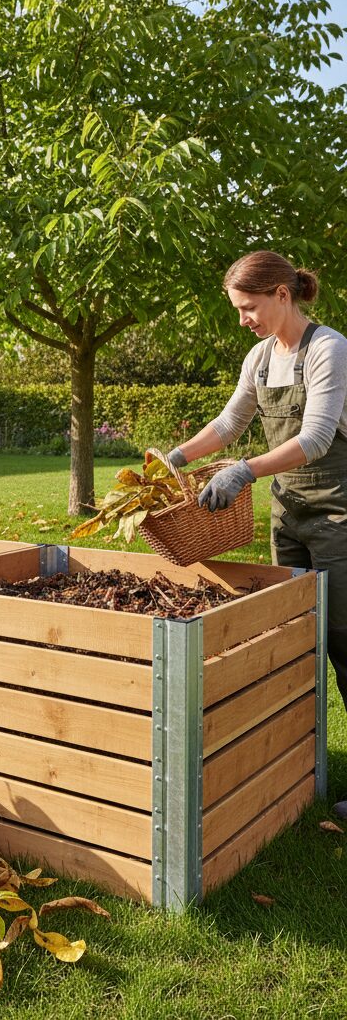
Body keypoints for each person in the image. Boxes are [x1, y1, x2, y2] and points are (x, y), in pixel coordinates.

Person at [166, 250, 347, 819]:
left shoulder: (328, 350)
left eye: (249, 307)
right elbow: (229, 423)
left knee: (343, 643)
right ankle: (298, 758)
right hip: (287, 517)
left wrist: (244, 470)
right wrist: (177, 457)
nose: (244, 319)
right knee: (292, 640)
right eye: (239, 310)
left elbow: (317, 437)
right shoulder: (261, 358)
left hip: (338, 515)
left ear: (281, 295)